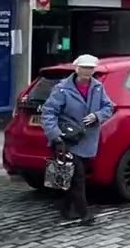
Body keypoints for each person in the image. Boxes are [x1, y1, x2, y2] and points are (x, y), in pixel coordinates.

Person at [40, 54, 115, 225]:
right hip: (67, 139)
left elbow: (109, 107)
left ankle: (67, 209)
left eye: (91, 68)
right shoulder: (62, 89)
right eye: (85, 68)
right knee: (78, 177)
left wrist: (97, 115)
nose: (88, 71)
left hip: (87, 140)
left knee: (72, 177)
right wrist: (55, 135)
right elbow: (49, 112)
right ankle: (84, 213)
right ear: (77, 69)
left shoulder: (98, 87)